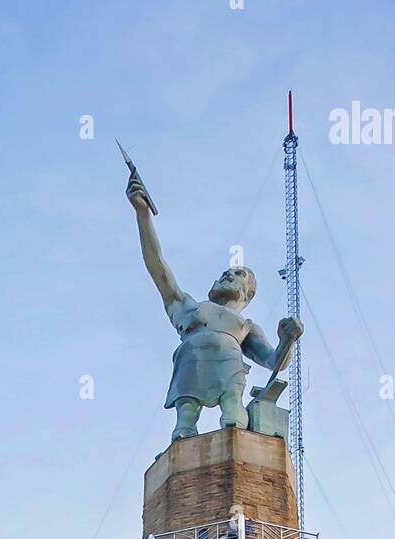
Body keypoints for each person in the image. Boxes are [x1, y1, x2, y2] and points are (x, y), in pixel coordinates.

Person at [126, 170, 303, 442]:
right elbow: (157, 265)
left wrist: (287, 339)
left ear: (248, 293)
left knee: (234, 416)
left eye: (238, 275)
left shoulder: (244, 327)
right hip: (190, 368)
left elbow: (274, 361)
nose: (228, 275)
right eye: (225, 273)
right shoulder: (187, 307)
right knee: (185, 422)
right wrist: (142, 214)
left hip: (229, 371)